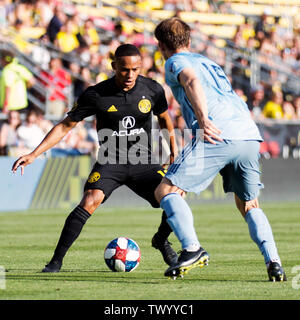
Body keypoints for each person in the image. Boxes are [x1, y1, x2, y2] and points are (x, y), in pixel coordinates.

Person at [12, 44, 178, 273]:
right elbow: (65, 126)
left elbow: (164, 119)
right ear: (114, 67)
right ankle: (55, 262)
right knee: (90, 199)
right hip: (112, 160)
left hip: (144, 162)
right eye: (124, 69)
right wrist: (34, 153)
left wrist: (173, 151)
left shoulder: (152, 89)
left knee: (174, 198)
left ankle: (161, 240)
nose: (130, 75)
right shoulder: (96, 94)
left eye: (135, 69)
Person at [153, 18, 286, 281]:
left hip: (217, 134)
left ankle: (192, 249)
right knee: (249, 204)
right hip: (248, 135)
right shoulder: (209, 62)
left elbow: (190, 80)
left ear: (161, 46)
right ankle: (274, 262)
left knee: (166, 190)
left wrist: (203, 119)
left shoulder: (175, 62)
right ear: (189, 41)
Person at [0, 50, 35, 114]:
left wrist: (5, 105)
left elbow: (8, 88)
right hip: (22, 104)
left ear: (4, 60)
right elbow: (32, 81)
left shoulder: (7, 71)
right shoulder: (20, 68)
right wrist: (24, 87)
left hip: (10, 106)